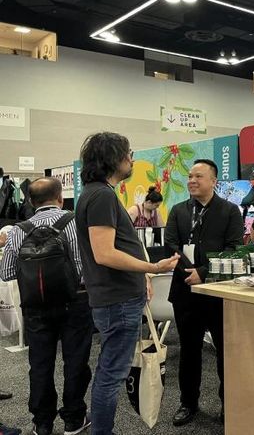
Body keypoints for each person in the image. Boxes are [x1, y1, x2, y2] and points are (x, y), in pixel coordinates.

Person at [75, 132, 179, 435]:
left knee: (110, 371)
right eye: (128, 153)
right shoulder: (102, 196)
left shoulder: (97, 193)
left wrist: (142, 275)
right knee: (111, 374)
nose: (132, 159)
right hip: (117, 300)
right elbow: (105, 253)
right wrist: (152, 267)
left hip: (117, 297)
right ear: (113, 157)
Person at [0, 178, 92, 435]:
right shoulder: (76, 222)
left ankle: (42, 423)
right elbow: (88, 267)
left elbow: (6, 273)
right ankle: (74, 419)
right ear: (61, 198)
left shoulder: (18, 230)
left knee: (40, 364)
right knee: (76, 361)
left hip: (35, 307)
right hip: (75, 301)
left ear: (30, 201)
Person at [165, 159, 244, 426]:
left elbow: (234, 248)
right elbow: (171, 245)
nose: (192, 181)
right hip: (185, 292)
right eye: (190, 176)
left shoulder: (230, 211)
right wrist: (190, 273)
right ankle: (188, 403)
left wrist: (204, 271)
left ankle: (228, 404)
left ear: (213, 181)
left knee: (224, 351)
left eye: (198, 176)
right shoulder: (178, 210)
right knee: (189, 351)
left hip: (217, 293)